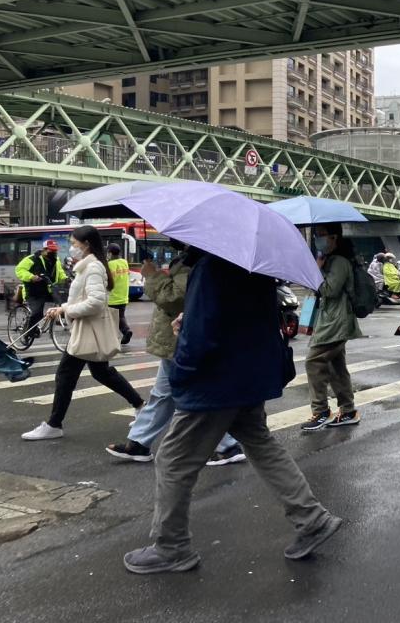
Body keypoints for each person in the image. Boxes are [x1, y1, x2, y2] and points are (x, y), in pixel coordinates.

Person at [123, 251, 342, 574]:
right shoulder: (252, 266)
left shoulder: (210, 269)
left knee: (173, 460)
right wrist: (193, 318)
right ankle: (312, 518)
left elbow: (201, 338)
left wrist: (182, 369)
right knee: (261, 445)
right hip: (249, 376)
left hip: (217, 382)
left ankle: (172, 547)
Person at [105, 242, 245, 466]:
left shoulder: (198, 260)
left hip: (186, 338)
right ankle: (139, 444)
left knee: (200, 394)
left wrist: (151, 276)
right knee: (163, 394)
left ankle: (227, 446)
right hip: (178, 337)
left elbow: (175, 298)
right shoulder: (191, 257)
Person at [21, 226, 145, 441]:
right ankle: (141, 406)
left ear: (86, 244)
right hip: (86, 329)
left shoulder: (93, 267)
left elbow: (96, 303)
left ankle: (54, 424)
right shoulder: (89, 266)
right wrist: (63, 307)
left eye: (74, 243)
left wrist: (65, 309)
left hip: (88, 329)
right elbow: (84, 298)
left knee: (66, 375)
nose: (71, 248)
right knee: (100, 372)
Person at [301, 222, 362, 432]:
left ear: (335, 237)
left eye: (322, 235)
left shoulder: (339, 262)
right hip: (331, 319)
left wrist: (316, 270)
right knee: (336, 367)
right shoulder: (331, 260)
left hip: (336, 321)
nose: (318, 239)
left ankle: (321, 411)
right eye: (317, 235)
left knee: (313, 361)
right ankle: (348, 410)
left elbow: (329, 290)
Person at [15, 239, 67, 342]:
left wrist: (67, 278)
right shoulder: (32, 259)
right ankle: (27, 334)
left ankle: (60, 318)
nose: (53, 253)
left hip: (49, 290)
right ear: (44, 250)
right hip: (34, 291)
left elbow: (60, 274)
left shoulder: (56, 261)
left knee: (64, 303)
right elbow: (19, 270)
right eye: (51, 250)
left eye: (55, 250)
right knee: (36, 313)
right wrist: (31, 277)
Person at [107, 243, 133, 345]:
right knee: (120, 316)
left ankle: (125, 331)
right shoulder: (124, 262)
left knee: (112, 319)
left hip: (113, 297)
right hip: (124, 295)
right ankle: (126, 331)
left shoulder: (109, 265)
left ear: (109, 253)